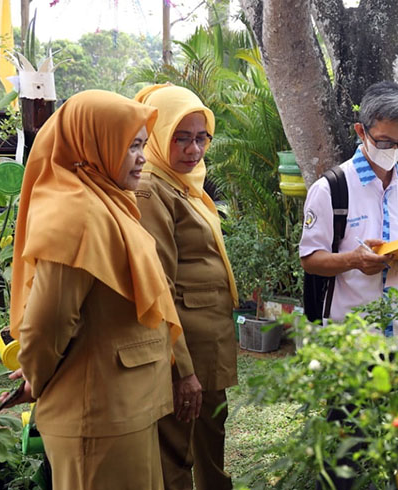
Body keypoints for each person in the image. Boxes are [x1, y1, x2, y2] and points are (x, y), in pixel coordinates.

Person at [3, 90, 182, 489]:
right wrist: (37, 376)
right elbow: (47, 324)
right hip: (97, 413)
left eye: (142, 145)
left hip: (121, 405)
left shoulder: (108, 202)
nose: (141, 156)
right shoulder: (76, 213)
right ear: (93, 141)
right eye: (130, 145)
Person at [134, 84, 238, 490]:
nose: (194, 149)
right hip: (185, 345)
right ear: (157, 136)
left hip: (207, 337)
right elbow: (157, 284)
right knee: (179, 449)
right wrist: (181, 371)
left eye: (201, 137)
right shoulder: (151, 188)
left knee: (211, 431)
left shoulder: (184, 183)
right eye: (181, 137)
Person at [299, 81, 398, 343]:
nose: (393, 151)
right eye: (383, 142)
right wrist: (353, 260)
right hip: (350, 340)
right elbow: (310, 259)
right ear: (361, 131)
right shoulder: (331, 189)